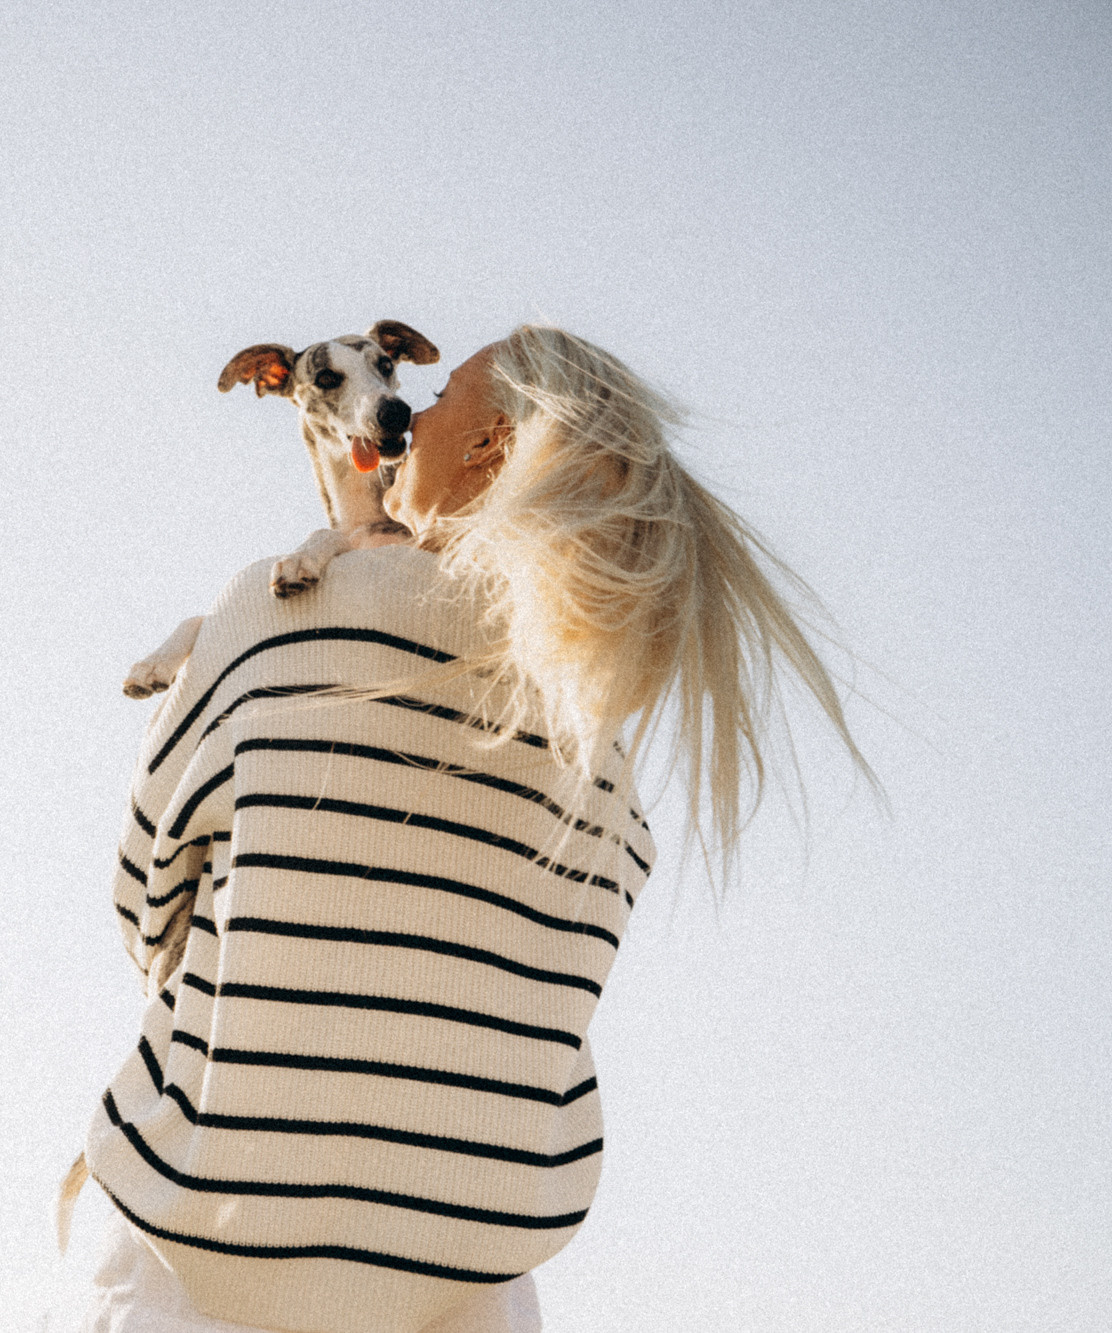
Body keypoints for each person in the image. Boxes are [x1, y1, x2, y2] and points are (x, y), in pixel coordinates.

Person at [72, 325, 873, 1333]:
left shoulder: (270, 618)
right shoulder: (606, 765)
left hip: (201, 1244)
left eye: (442, 389)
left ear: (492, 446)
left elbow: (148, 910)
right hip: (457, 1283)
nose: (416, 405)